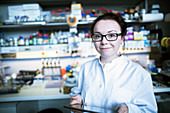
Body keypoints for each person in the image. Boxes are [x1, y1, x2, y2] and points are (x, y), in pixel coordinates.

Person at [70, 13, 157, 113]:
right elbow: (76, 95)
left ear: (122, 38)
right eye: (98, 36)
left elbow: (149, 110)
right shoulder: (85, 68)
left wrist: (129, 109)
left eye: (111, 35)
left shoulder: (139, 74)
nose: (104, 41)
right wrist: (78, 101)